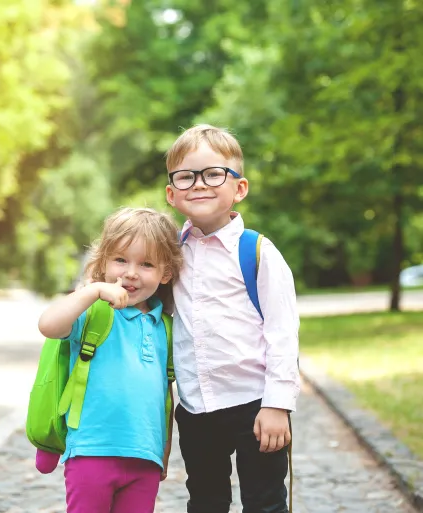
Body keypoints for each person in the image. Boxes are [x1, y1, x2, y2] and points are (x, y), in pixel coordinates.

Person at [164, 124, 301, 513]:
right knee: (205, 501)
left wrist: (277, 405)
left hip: (254, 404)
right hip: (196, 407)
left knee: (264, 501)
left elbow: (283, 334)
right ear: (172, 194)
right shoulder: (171, 253)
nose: (200, 185)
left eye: (213, 174)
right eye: (186, 176)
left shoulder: (257, 252)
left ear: (239, 187)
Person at [36, 206, 183, 513]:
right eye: (120, 260)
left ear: (165, 273)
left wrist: (164, 453)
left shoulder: (165, 327)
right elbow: (48, 325)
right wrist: (91, 291)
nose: (130, 272)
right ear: (103, 262)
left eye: (146, 264)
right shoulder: (94, 312)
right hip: (91, 451)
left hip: (145, 458)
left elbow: (164, 396)